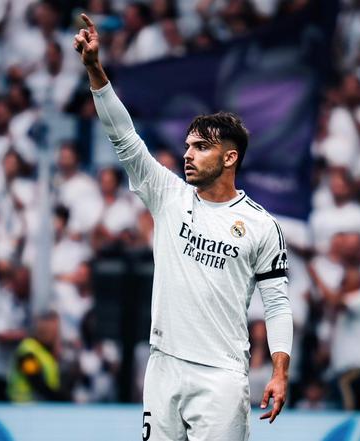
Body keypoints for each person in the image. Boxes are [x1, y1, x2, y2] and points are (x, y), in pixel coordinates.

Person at [74, 14, 292, 440]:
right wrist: (95, 69)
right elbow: (123, 137)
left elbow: (278, 306)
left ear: (229, 158)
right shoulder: (168, 195)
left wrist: (280, 372)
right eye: (188, 145)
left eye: (201, 147)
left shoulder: (261, 226)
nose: (188, 154)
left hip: (221, 377)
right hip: (164, 366)